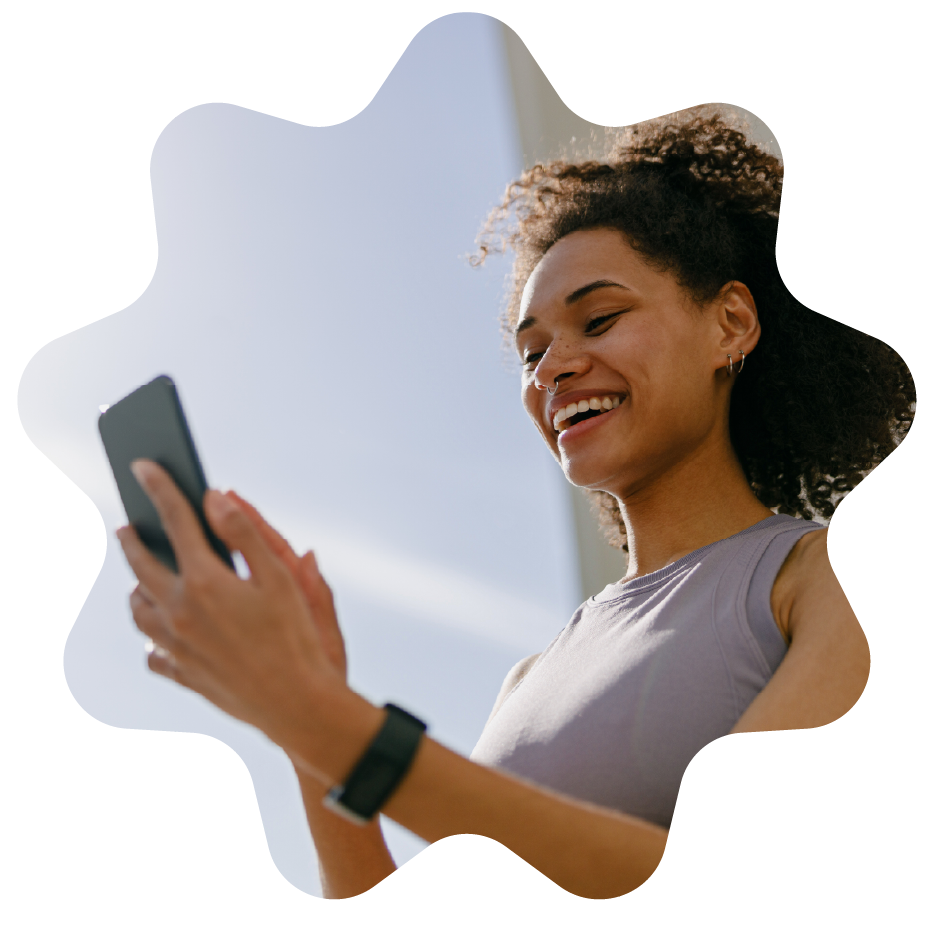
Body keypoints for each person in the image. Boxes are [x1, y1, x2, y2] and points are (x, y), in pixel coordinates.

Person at [120, 104, 910, 923]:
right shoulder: (530, 679)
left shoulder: (845, 578)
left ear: (730, 324)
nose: (555, 369)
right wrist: (305, 725)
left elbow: (751, 886)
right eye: (531, 353)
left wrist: (333, 726)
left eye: (599, 319)